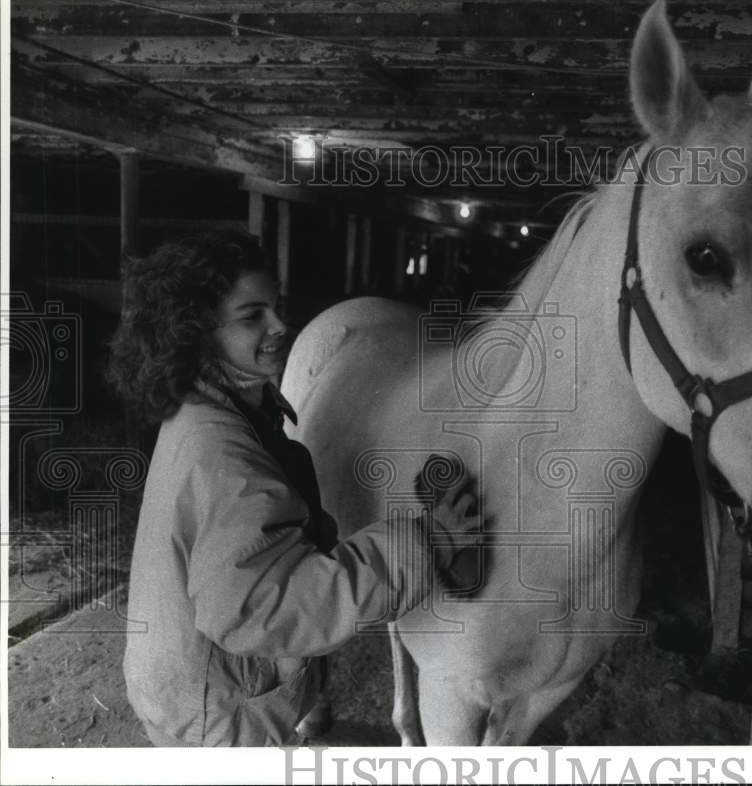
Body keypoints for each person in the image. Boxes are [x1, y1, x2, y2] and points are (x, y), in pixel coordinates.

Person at [108, 231, 477, 746]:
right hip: (220, 718)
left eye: (276, 308)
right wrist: (426, 543)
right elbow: (265, 609)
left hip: (189, 684)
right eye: (252, 315)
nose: (281, 326)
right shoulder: (223, 455)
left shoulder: (208, 411)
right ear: (196, 333)